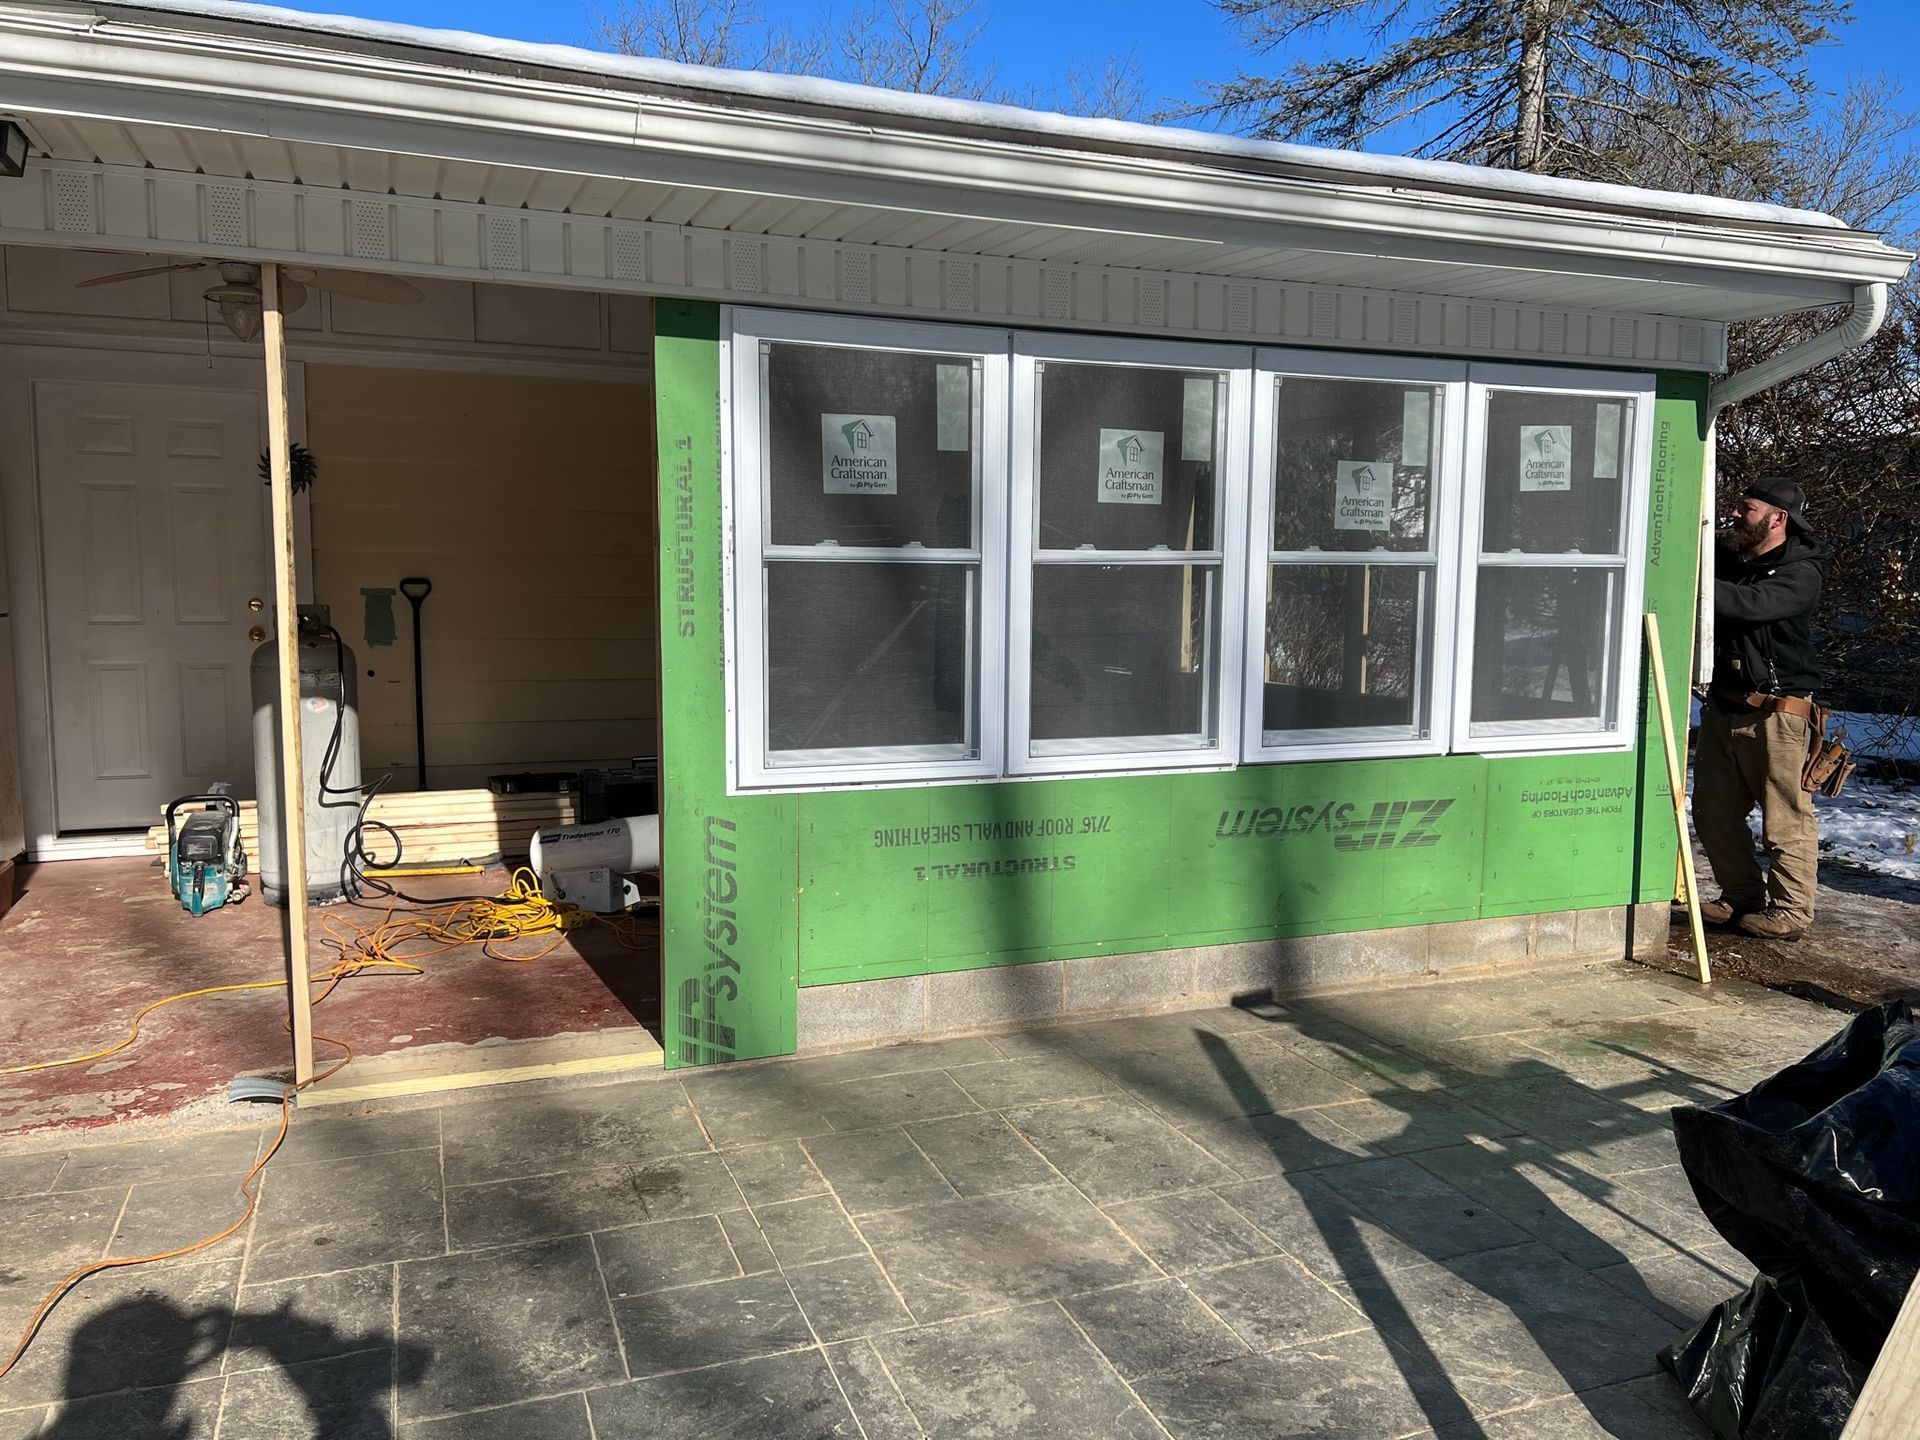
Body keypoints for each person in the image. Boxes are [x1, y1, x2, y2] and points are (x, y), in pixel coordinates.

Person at [1689, 477, 1832, 940]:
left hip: (1779, 714)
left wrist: (1693, 581)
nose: (1735, 514)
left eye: (1746, 508)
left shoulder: (1800, 572)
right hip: (1723, 706)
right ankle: (1740, 896)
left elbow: (1751, 605)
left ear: (1777, 518)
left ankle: (1791, 910)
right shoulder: (1730, 558)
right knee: (1713, 811)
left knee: (1784, 818)